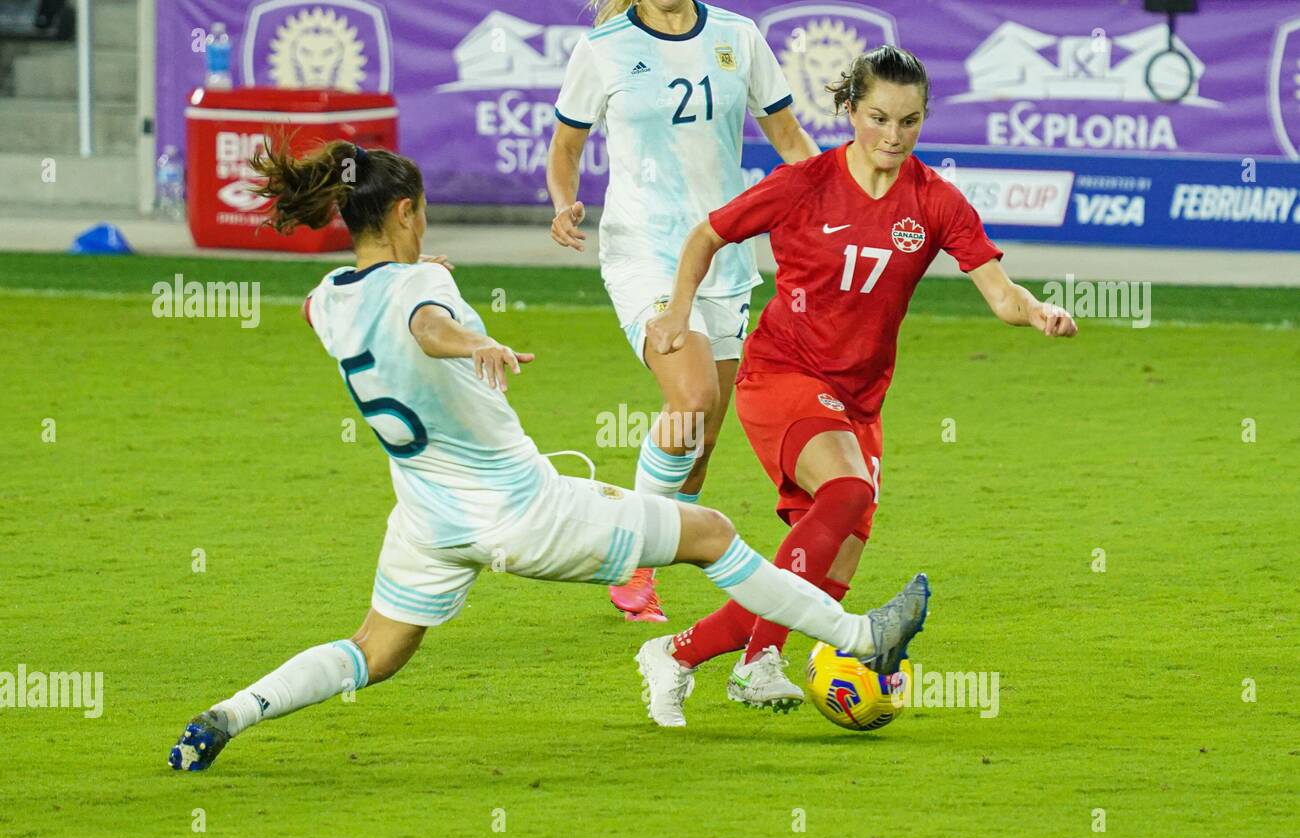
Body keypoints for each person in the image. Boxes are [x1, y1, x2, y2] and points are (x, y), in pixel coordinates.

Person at [167, 139, 929, 769]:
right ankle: (860, 637)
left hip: (427, 521)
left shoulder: (331, 299)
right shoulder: (422, 289)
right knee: (714, 535)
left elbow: (353, 308)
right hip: (525, 511)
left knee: (377, 649)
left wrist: (422, 292)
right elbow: (426, 326)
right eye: (422, 213)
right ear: (405, 211)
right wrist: (476, 338)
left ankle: (227, 717)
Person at [634, 46, 1077, 724]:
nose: (893, 137)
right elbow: (707, 234)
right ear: (849, 111)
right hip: (782, 373)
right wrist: (676, 310)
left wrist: (1037, 310)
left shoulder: (935, 202)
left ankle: (680, 653)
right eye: (878, 118)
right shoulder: (805, 183)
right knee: (847, 491)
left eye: (910, 122)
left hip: (858, 403)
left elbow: (1000, 291)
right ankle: (758, 662)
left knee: (822, 567)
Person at [547, 0, 819, 623]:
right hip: (644, 253)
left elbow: (787, 137)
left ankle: (650, 529)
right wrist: (564, 202)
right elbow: (565, 148)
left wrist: (839, 194)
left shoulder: (738, 37)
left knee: (701, 442)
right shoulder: (604, 47)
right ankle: (632, 555)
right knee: (692, 396)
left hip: (724, 254)